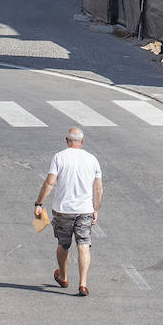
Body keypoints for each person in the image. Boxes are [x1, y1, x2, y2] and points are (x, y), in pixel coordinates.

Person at [34, 127, 102, 297]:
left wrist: (39, 203)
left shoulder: (59, 157)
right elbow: (98, 188)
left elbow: (50, 183)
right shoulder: (92, 159)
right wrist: (96, 209)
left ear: (66, 140)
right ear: (82, 141)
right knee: (84, 245)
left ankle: (63, 277)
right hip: (85, 210)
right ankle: (83, 284)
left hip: (63, 210)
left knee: (63, 244)